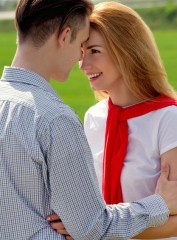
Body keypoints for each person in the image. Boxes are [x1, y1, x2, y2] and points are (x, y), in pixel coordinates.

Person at [1, 0, 177, 240]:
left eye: (93, 50)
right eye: (82, 49)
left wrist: (85, 227)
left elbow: (89, 224)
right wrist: (87, 226)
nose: (81, 63)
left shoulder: (169, 118)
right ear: (65, 36)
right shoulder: (76, 119)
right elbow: (91, 223)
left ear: (127, 50)